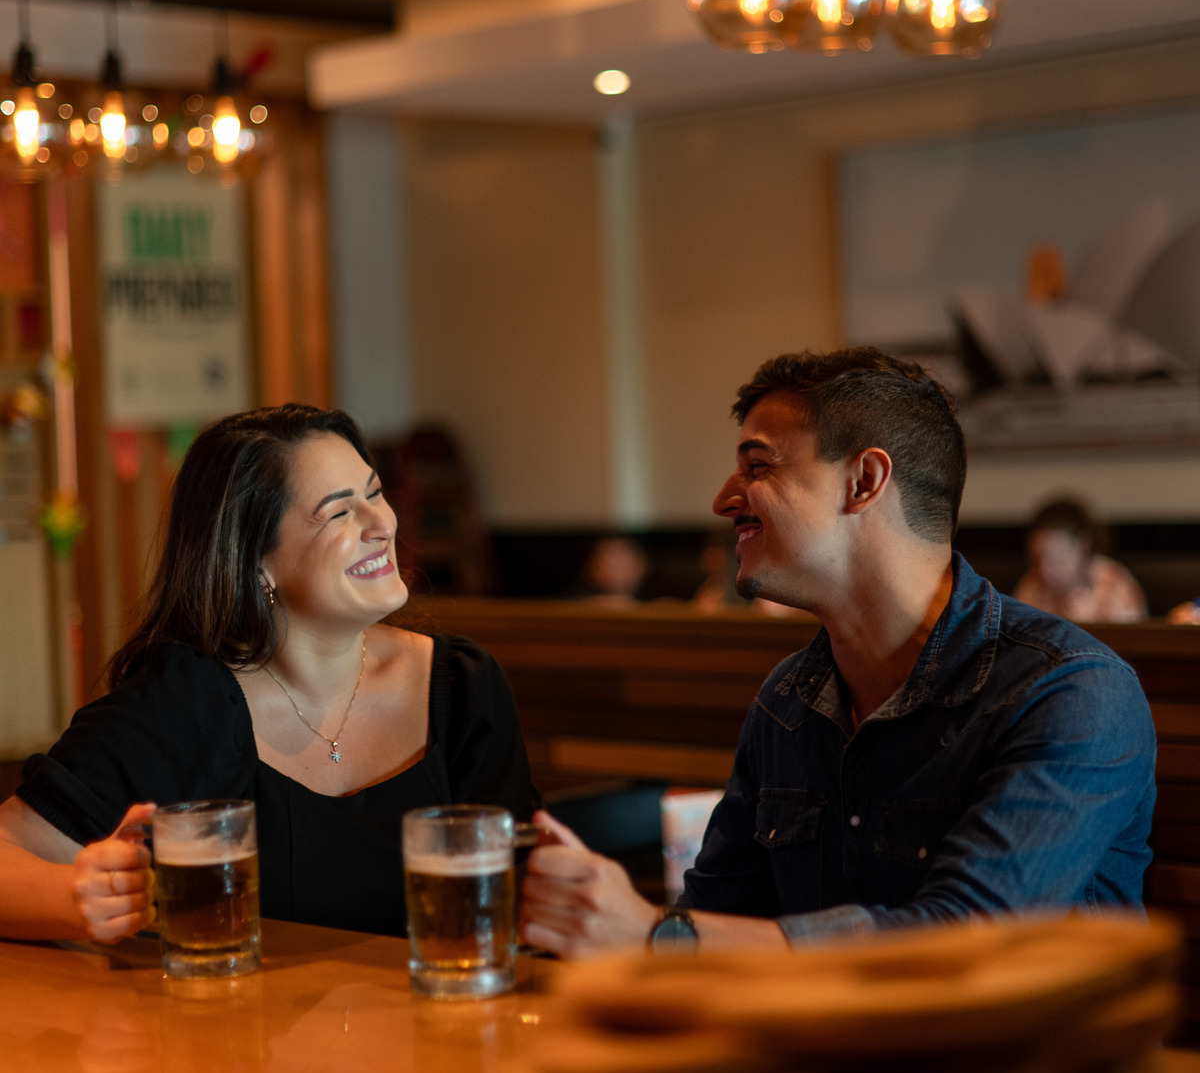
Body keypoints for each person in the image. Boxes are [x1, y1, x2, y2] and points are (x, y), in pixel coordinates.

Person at [520, 349, 1156, 957]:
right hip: (823, 1063)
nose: (723, 499)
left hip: (1028, 1069)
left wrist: (658, 940)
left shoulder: (1071, 692)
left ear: (864, 481)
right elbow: (721, 918)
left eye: (758, 465)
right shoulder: (787, 703)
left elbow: (965, 944)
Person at [0, 405, 536, 946]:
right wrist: (76, 897)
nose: (383, 524)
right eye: (338, 513)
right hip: (236, 1026)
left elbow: (516, 908)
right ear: (257, 561)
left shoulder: (464, 689)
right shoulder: (187, 704)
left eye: (375, 494)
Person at [1014, 498, 1147, 624]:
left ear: (1083, 545)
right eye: (1037, 560)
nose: (1045, 571)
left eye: (1058, 559)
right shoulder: (1032, 584)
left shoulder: (1113, 584)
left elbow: (1128, 642)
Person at [576, 535, 648, 606]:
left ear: (642, 565)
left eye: (623, 558)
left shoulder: (655, 610)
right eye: (606, 558)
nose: (617, 563)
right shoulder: (572, 609)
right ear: (591, 567)